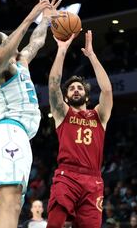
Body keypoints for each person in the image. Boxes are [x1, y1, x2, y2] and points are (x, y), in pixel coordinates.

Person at [0, 0, 62, 228]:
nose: (14, 43)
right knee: (12, 203)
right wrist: (29, 17)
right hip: (9, 132)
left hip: (14, 136)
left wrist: (44, 20)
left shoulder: (21, 61)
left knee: (5, 207)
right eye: (8, 41)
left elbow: (35, 43)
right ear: (0, 48)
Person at [46, 30, 113, 228]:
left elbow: (107, 90)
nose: (76, 90)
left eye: (80, 88)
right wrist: (61, 49)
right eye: (72, 88)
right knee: (55, 224)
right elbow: (52, 85)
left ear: (86, 96)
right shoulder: (63, 114)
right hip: (67, 176)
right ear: (66, 97)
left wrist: (92, 55)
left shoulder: (99, 116)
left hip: (93, 180)